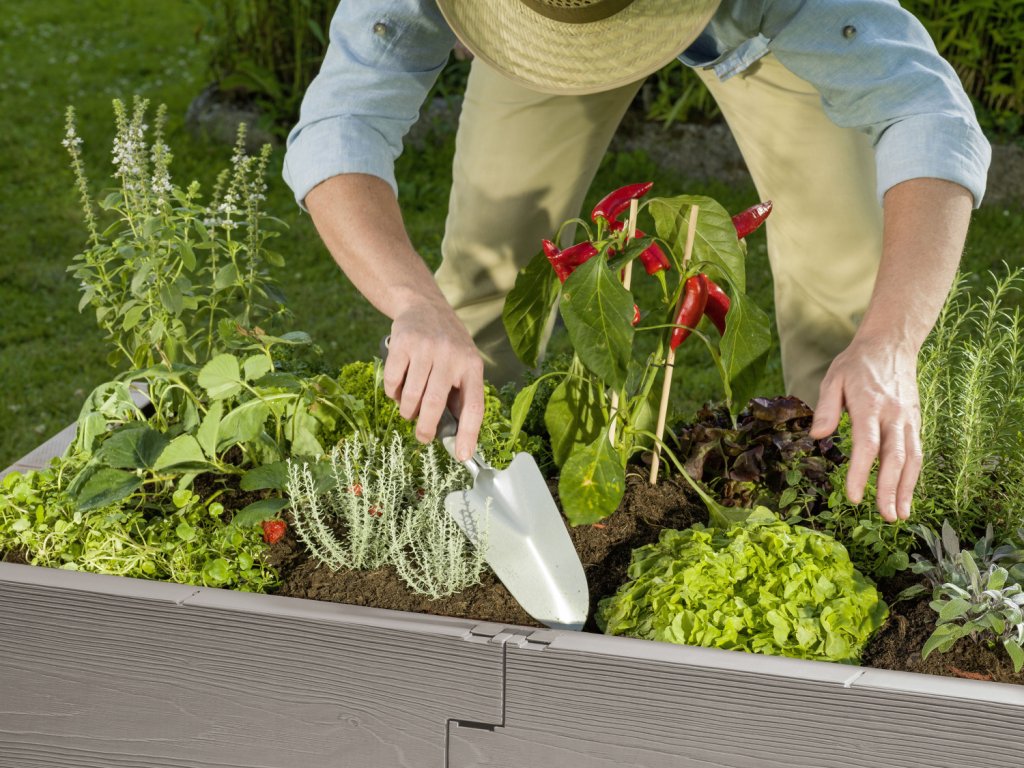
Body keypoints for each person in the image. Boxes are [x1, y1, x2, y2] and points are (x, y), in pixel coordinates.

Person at [283, 0, 991, 524]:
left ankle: (843, 516)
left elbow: (927, 115)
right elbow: (342, 125)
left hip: (756, 30)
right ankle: (451, 488)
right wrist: (415, 304)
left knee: (844, 301)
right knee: (485, 272)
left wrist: (890, 341)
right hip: (533, 28)